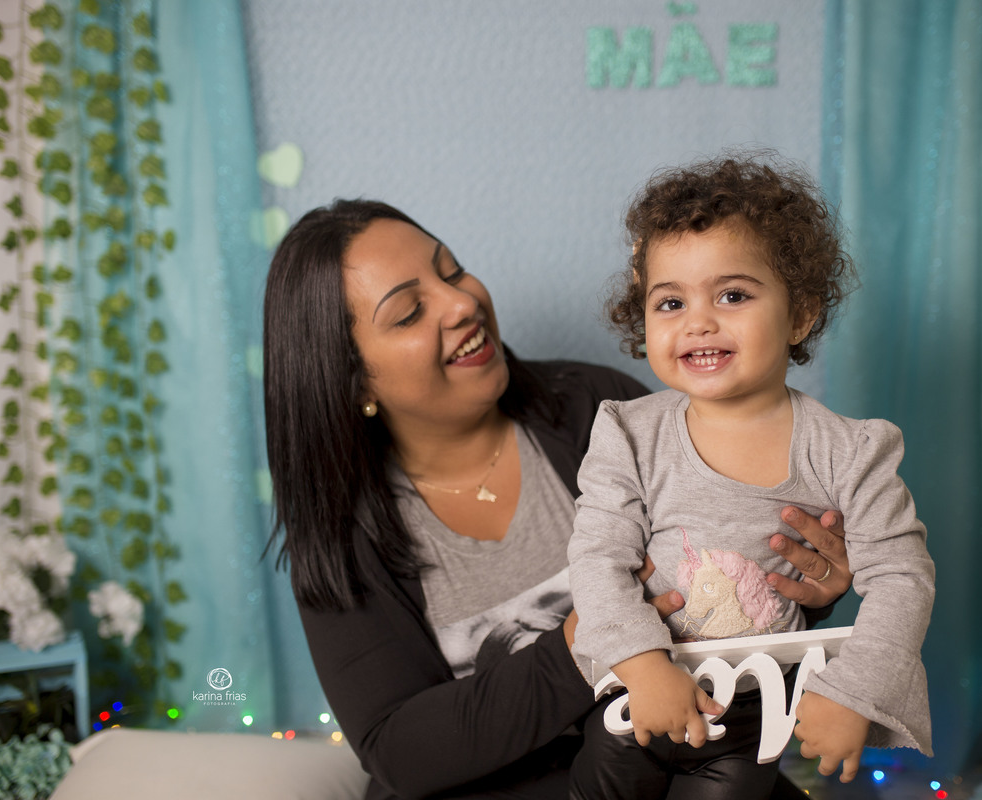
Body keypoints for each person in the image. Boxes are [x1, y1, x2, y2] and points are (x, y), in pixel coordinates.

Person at [262, 198, 854, 800]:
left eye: (452, 270)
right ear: (356, 379)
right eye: (410, 312)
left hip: (684, 763)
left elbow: (717, 585)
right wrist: (590, 640)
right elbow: (400, 752)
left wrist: (799, 591)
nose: (462, 303)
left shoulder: (597, 409)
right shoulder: (344, 535)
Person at [567, 153, 935, 799]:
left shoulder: (850, 450)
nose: (698, 320)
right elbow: (596, 558)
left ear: (800, 316)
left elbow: (902, 578)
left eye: (733, 295)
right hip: (641, 686)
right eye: (670, 301)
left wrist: (854, 690)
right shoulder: (628, 431)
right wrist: (644, 665)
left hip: (753, 707)